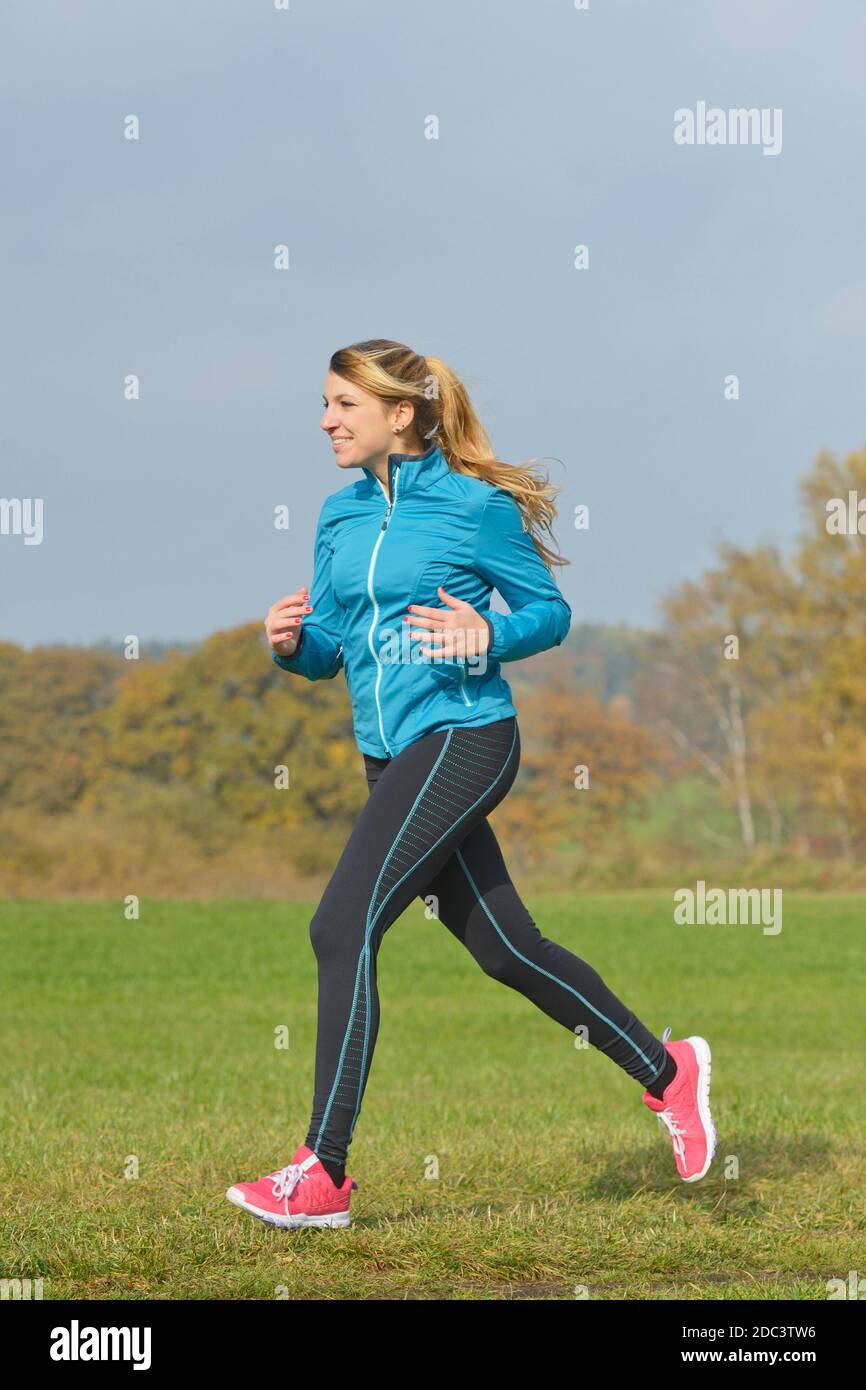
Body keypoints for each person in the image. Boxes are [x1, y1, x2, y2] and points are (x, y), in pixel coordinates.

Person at [226, 339, 716, 1230]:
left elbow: (550, 613)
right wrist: (293, 648)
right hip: (390, 753)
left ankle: (323, 1171)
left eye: (344, 404)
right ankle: (669, 1071)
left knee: (340, 926)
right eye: (326, 404)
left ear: (400, 415)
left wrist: (486, 637)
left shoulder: (473, 508)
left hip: (466, 737)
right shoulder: (339, 518)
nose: (326, 420)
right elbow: (337, 645)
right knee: (505, 949)